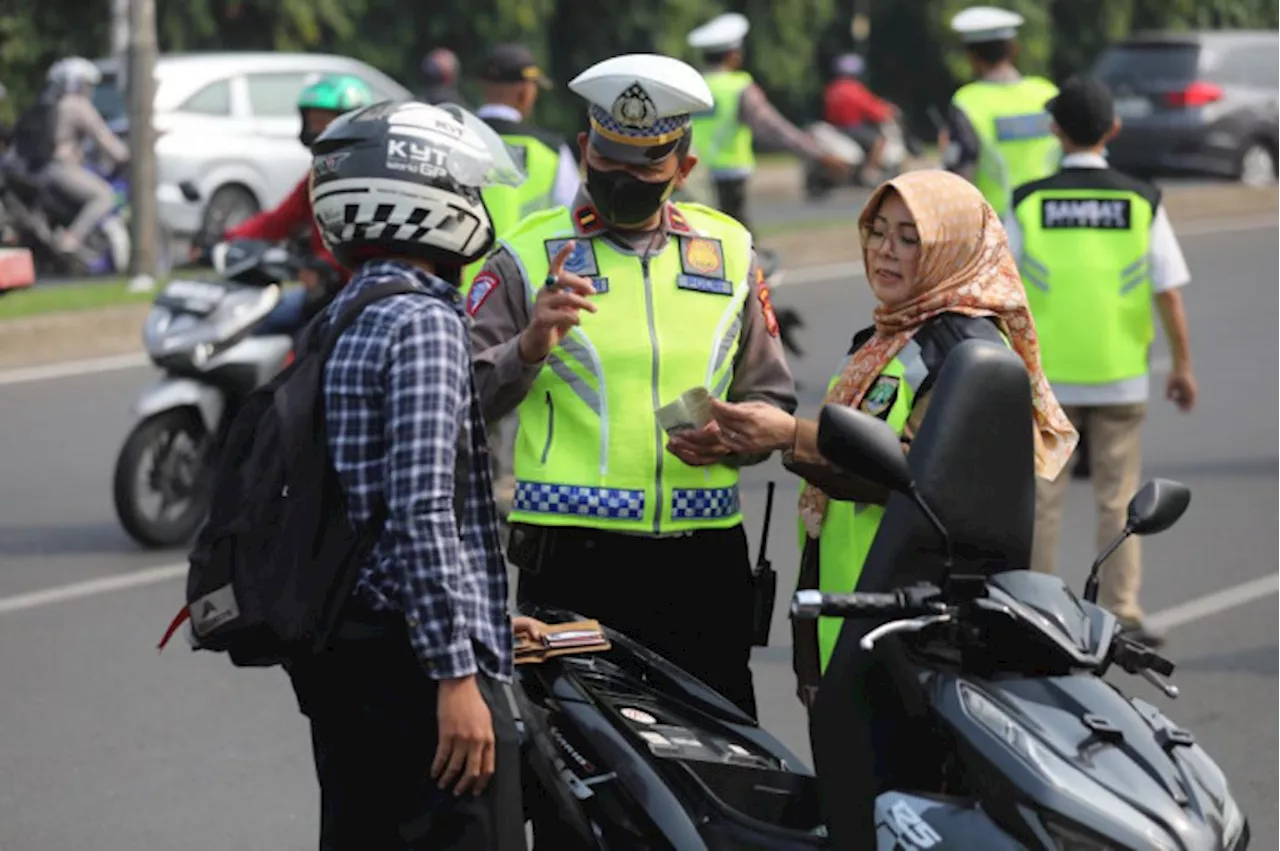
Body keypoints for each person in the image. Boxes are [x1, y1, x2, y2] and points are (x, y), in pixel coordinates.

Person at [468, 52, 797, 722]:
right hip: (572, 555)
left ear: (684, 166)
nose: (624, 178)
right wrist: (527, 348)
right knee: (579, 783)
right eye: (610, 160)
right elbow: (458, 401)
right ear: (585, 148)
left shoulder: (731, 252)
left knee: (716, 766)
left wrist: (736, 437)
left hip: (702, 557)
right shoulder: (525, 256)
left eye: (646, 165)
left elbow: (771, 396)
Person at [706, 169, 1078, 707]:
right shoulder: (892, 335)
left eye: (910, 239)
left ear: (950, 249)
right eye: (878, 232)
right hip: (858, 614)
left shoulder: (963, 351)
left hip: (910, 633)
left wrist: (791, 435)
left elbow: (923, 476)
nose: (885, 251)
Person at [285, 99, 530, 849]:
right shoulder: (422, 321)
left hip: (346, 648)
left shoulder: (346, 311)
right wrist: (458, 672)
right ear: (423, 201)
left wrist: (485, 616)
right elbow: (420, 511)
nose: (478, 204)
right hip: (410, 666)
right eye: (467, 187)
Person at [1006, 76, 1197, 648]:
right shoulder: (1141, 200)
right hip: (1120, 376)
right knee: (1119, 499)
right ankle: (1123, 613)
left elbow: (1005, 288)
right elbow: (1168, 290)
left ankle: (1032, 608)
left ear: (1054, 130)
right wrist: (1182, 365)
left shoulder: (1029, 199)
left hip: (1047, 381)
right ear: (1113, 130)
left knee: (1043, 498)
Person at [463, 43, 582, 518]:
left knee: (469, 398)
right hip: (526, 296)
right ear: (522, 90)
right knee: (519, 385)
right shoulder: (550, 148)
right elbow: (576, 221)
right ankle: (508, 490)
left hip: (458, 292)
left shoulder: (455, 136)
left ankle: (471, 489)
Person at [216, 75, 374, 335]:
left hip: (355, 293)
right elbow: (279, 220)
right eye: (313, 121)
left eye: (325, 121)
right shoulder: (317, 174)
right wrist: (227, 238)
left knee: (305, 353)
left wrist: (327, 265)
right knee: (248, 323)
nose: (316, 129)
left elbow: (366, 236)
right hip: (321, 289)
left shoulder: (368, 176)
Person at [686, 12, 848, 230]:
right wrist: (819, 154)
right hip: (730, 175)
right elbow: (775, 129)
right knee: (737, 237)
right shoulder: (738, 87)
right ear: (734, 55)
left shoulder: (691, 86)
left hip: (692, 172)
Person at [944, 6, 1060, 221]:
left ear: (971, 55)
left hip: (996, 223)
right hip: (1049, 219)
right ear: (1014, 49)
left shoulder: (967, 101)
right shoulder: (1047, 93)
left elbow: (961, 173)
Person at [13, 57, 130, 258]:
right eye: (87, 84)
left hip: (36, 169)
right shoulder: (77, 105)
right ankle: (72, 240)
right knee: (105, 196)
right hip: (61, 169)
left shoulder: (49, 103)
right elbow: (104, 138)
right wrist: (126, 156)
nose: (89, 89)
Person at [823, 53, 897, 184]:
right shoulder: (853, 89)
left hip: (836, 128)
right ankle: (870, 172)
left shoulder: (832, 89)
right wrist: (887, 111)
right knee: (879, 141)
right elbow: (872, 109)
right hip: (852, 128)